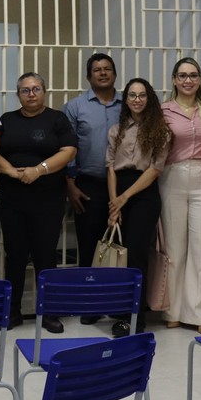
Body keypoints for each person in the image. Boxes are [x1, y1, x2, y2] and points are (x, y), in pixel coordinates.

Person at [0, 72, 77, 332]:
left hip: (48, 198)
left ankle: (49, 313)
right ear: (18, 94)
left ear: (44, 91)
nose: (31, 94)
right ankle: (12, 312)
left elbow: (69, 151)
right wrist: (12, 171)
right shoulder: (6, 120)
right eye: (25, 90)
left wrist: (39, 170)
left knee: (45, 254)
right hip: (13, 197)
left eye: (36, 89)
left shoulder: (57, 119)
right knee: (14, 254)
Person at [105, 78, 171, 338]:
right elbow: (110, 167)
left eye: (142, 95)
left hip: (144, 195)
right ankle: (120, 310)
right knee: (119, 257)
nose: (137, 100)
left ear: (149, 98)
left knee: (136, 257)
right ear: (126, 100)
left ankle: (135, 320)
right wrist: (114, 204)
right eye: (132, 95)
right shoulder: (116, 130)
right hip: (118, 192)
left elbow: (154, 170)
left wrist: (124, 197)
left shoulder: (161, 131)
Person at [160, 57, 201, 335]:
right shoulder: (163, 111)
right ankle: (173, 310)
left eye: (193, 75)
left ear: (200, 79)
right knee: (174, 250)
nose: (188, 80)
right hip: (172, 177)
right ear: (174, 80)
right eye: (182, 75)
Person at [64, 53, 122, 275]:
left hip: (124, 186)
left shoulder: (129, 104)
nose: (103, 73)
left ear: (115, 74)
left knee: (121, 247)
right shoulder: (74, 107)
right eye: (97, 70)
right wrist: (70, 185)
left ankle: (119, 296)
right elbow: (67, 148)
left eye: (107, 69)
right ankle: (90, 296)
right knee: (89, 248)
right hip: (88, 187)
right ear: (89, 76)